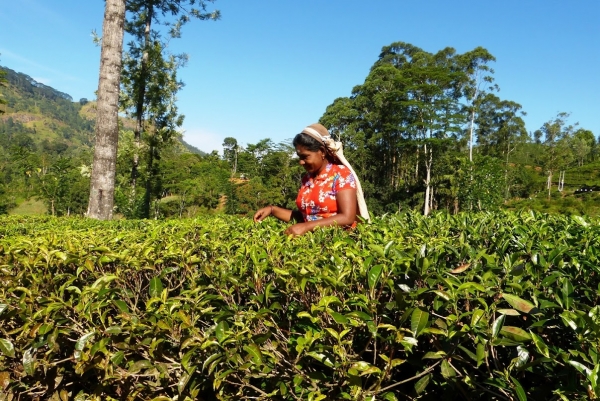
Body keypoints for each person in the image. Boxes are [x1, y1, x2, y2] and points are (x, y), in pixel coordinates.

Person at [253, 123, 369, 236]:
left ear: (322, 152)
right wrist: (272, 210)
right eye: (299, 157)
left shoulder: (341, 175)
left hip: (339, 243)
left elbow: (347, 217)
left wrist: (306, 227)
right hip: (313, 244)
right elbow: (306, 217)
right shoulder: (307, 179)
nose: (301, 162)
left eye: (305, 157)